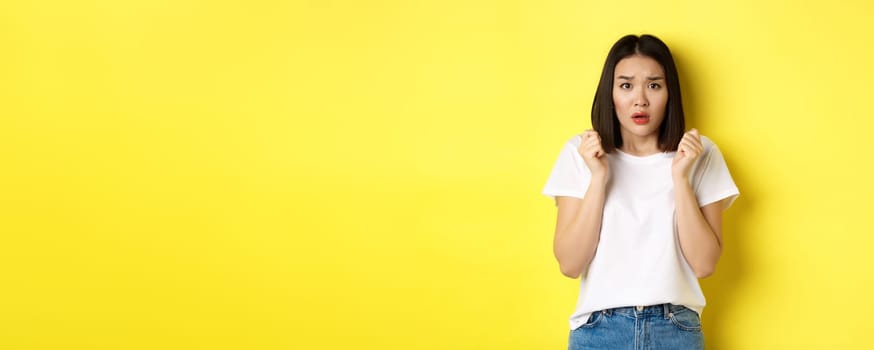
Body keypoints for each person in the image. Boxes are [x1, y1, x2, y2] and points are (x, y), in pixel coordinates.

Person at [541, 34, 739, 349]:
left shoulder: (700, 154)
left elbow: (704, 264)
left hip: (674, 329)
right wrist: (598, 178)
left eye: (654, 85)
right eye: (626, 85)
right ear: (611, 93)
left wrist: (681, 179)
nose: (640, 100)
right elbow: (570, 263)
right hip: (599, 331)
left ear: (669, 93)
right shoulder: (580, 153)